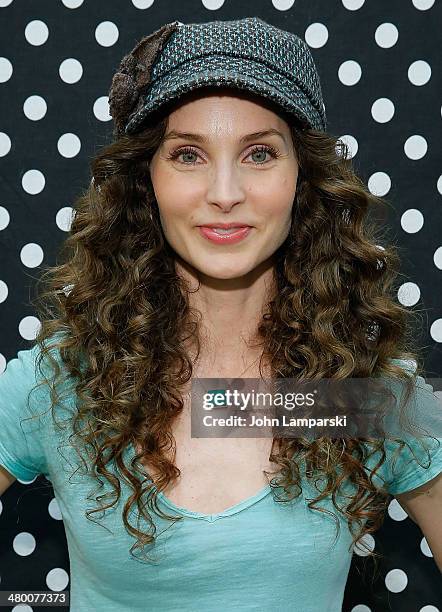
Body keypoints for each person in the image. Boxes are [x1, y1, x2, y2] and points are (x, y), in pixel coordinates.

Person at [0, 16, 441, 612]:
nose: (225, 191)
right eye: (188, 154)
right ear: (146, 179)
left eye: (259, 153)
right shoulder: (63, 382)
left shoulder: (355, 395)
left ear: (301, 179)